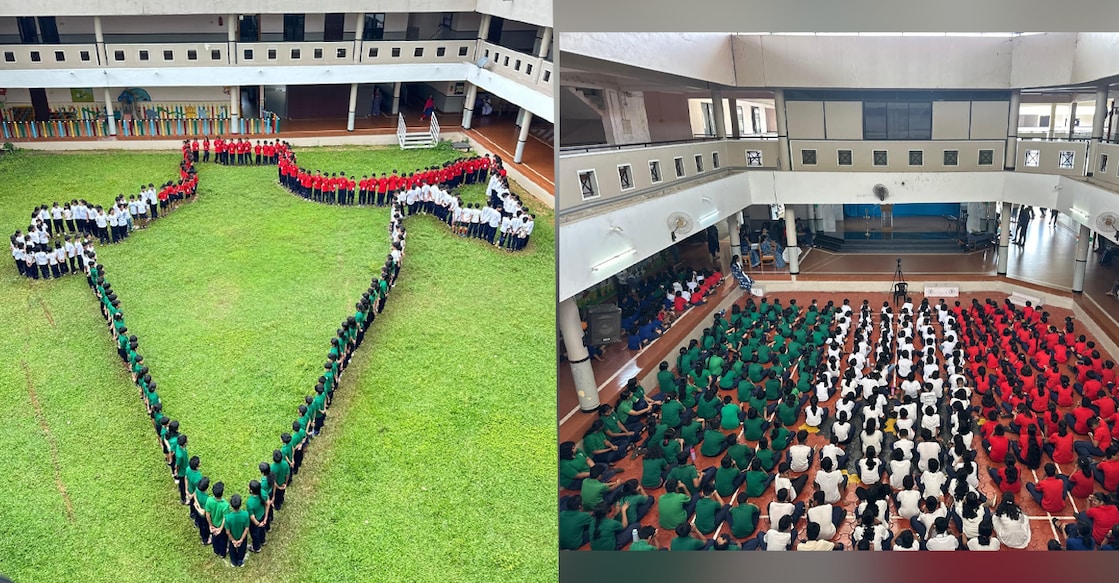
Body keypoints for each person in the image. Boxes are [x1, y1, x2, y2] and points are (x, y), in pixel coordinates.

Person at [224, 494, 250, 567]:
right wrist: (241, 540)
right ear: (240, 504)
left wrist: (233, 540)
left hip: (232, 537)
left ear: (231, 505)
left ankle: (233, 562)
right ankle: (240, 561)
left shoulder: (228, 517)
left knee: (232, 549)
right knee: (242, 548)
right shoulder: (245, 514)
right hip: (242, 537)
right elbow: (246, 528)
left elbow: (228, 532)